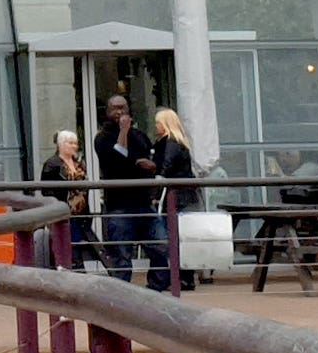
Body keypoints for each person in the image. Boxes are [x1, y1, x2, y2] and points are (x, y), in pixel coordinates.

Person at [93, 93, 165, 289]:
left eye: (123, 107)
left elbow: (151, 161)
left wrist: (148, 165)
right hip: (119, 206)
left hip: (143, 203)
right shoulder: (102, 138)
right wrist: (123, 131)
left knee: (160, 247)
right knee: (121, 257)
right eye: (115, 108)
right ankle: (121, 295)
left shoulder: (139, 136)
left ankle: (156, 289)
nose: (119, 112)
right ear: (107, 112)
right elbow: (118, 159)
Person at [152, 108, 201, 288]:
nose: (156, 126)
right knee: (181, 238)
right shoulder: (179, 143)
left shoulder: (171, 143)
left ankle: (180, 277)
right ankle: (184, 276)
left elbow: (166, 167)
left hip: (176, 198)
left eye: (158, 123)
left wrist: (156, 187)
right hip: (184, 196)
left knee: (173, 237)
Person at [37, 129, 97, 270]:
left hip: (80, 213)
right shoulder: (52, 164)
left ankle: (77, 268)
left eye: (75, 143)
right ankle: (75, 270)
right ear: (61, 144)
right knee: (68, 246)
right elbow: (46, 190)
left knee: (78, 244)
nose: (74, 146)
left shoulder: (78, 163)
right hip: (64, 212)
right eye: (71, 143)